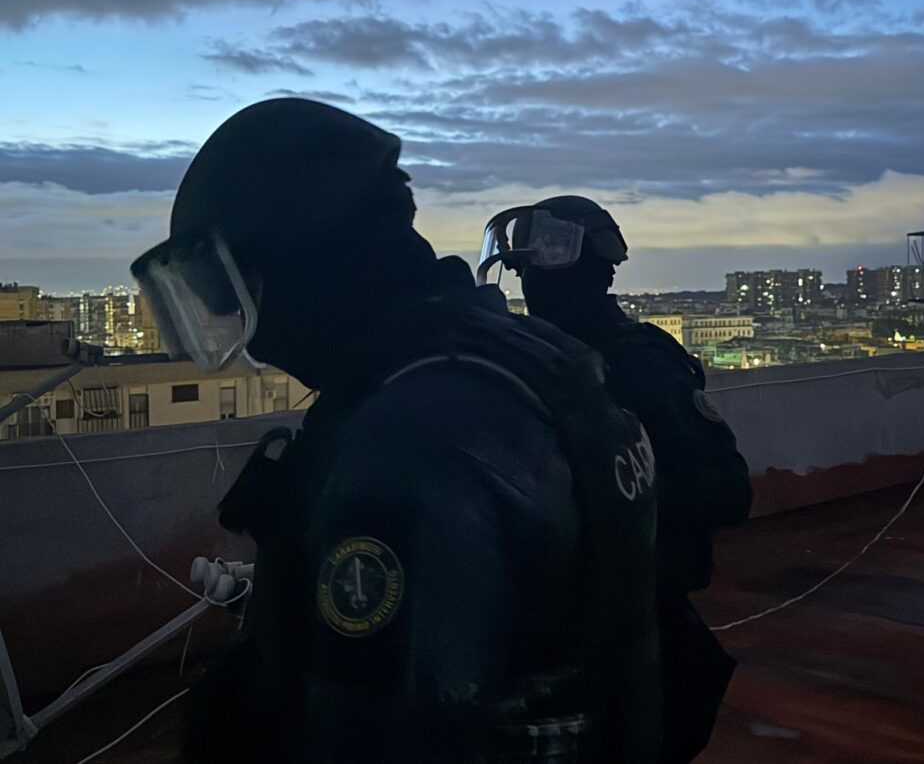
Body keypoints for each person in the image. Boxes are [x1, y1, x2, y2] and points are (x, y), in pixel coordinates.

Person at [130, 100, 661, 763]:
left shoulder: (413, 441)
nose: (255, 335)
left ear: (304, 263)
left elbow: (384, 727)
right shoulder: (510, 357)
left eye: (242, 291)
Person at [477, 197, 753, 763]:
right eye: (523, 270)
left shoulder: (640, 363)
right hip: (555, 615)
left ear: (600, 271)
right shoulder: (533, 360)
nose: (532, 285)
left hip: (632, 614)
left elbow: (727, 490)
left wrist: (601, 500)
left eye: (547, 268)